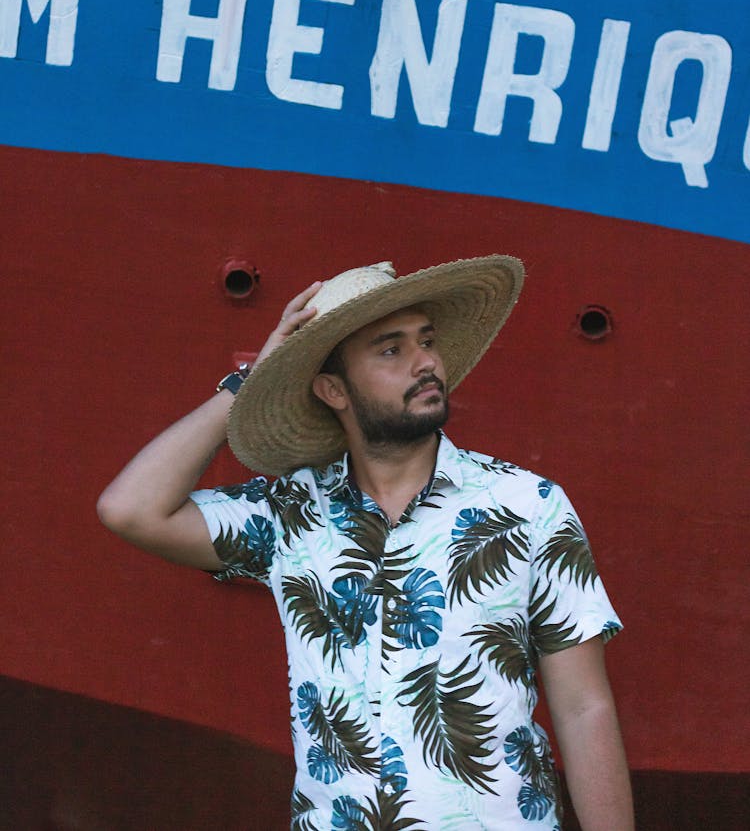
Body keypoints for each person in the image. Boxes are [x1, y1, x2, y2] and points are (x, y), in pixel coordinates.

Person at [98, 256, 634, 831]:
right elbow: (130, 509)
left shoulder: (528, 508)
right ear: (332, 389)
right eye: (390, 349)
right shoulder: (290, 514)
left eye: (425, 341)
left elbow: (584, 708)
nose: (426, 361)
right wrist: (253, 378)